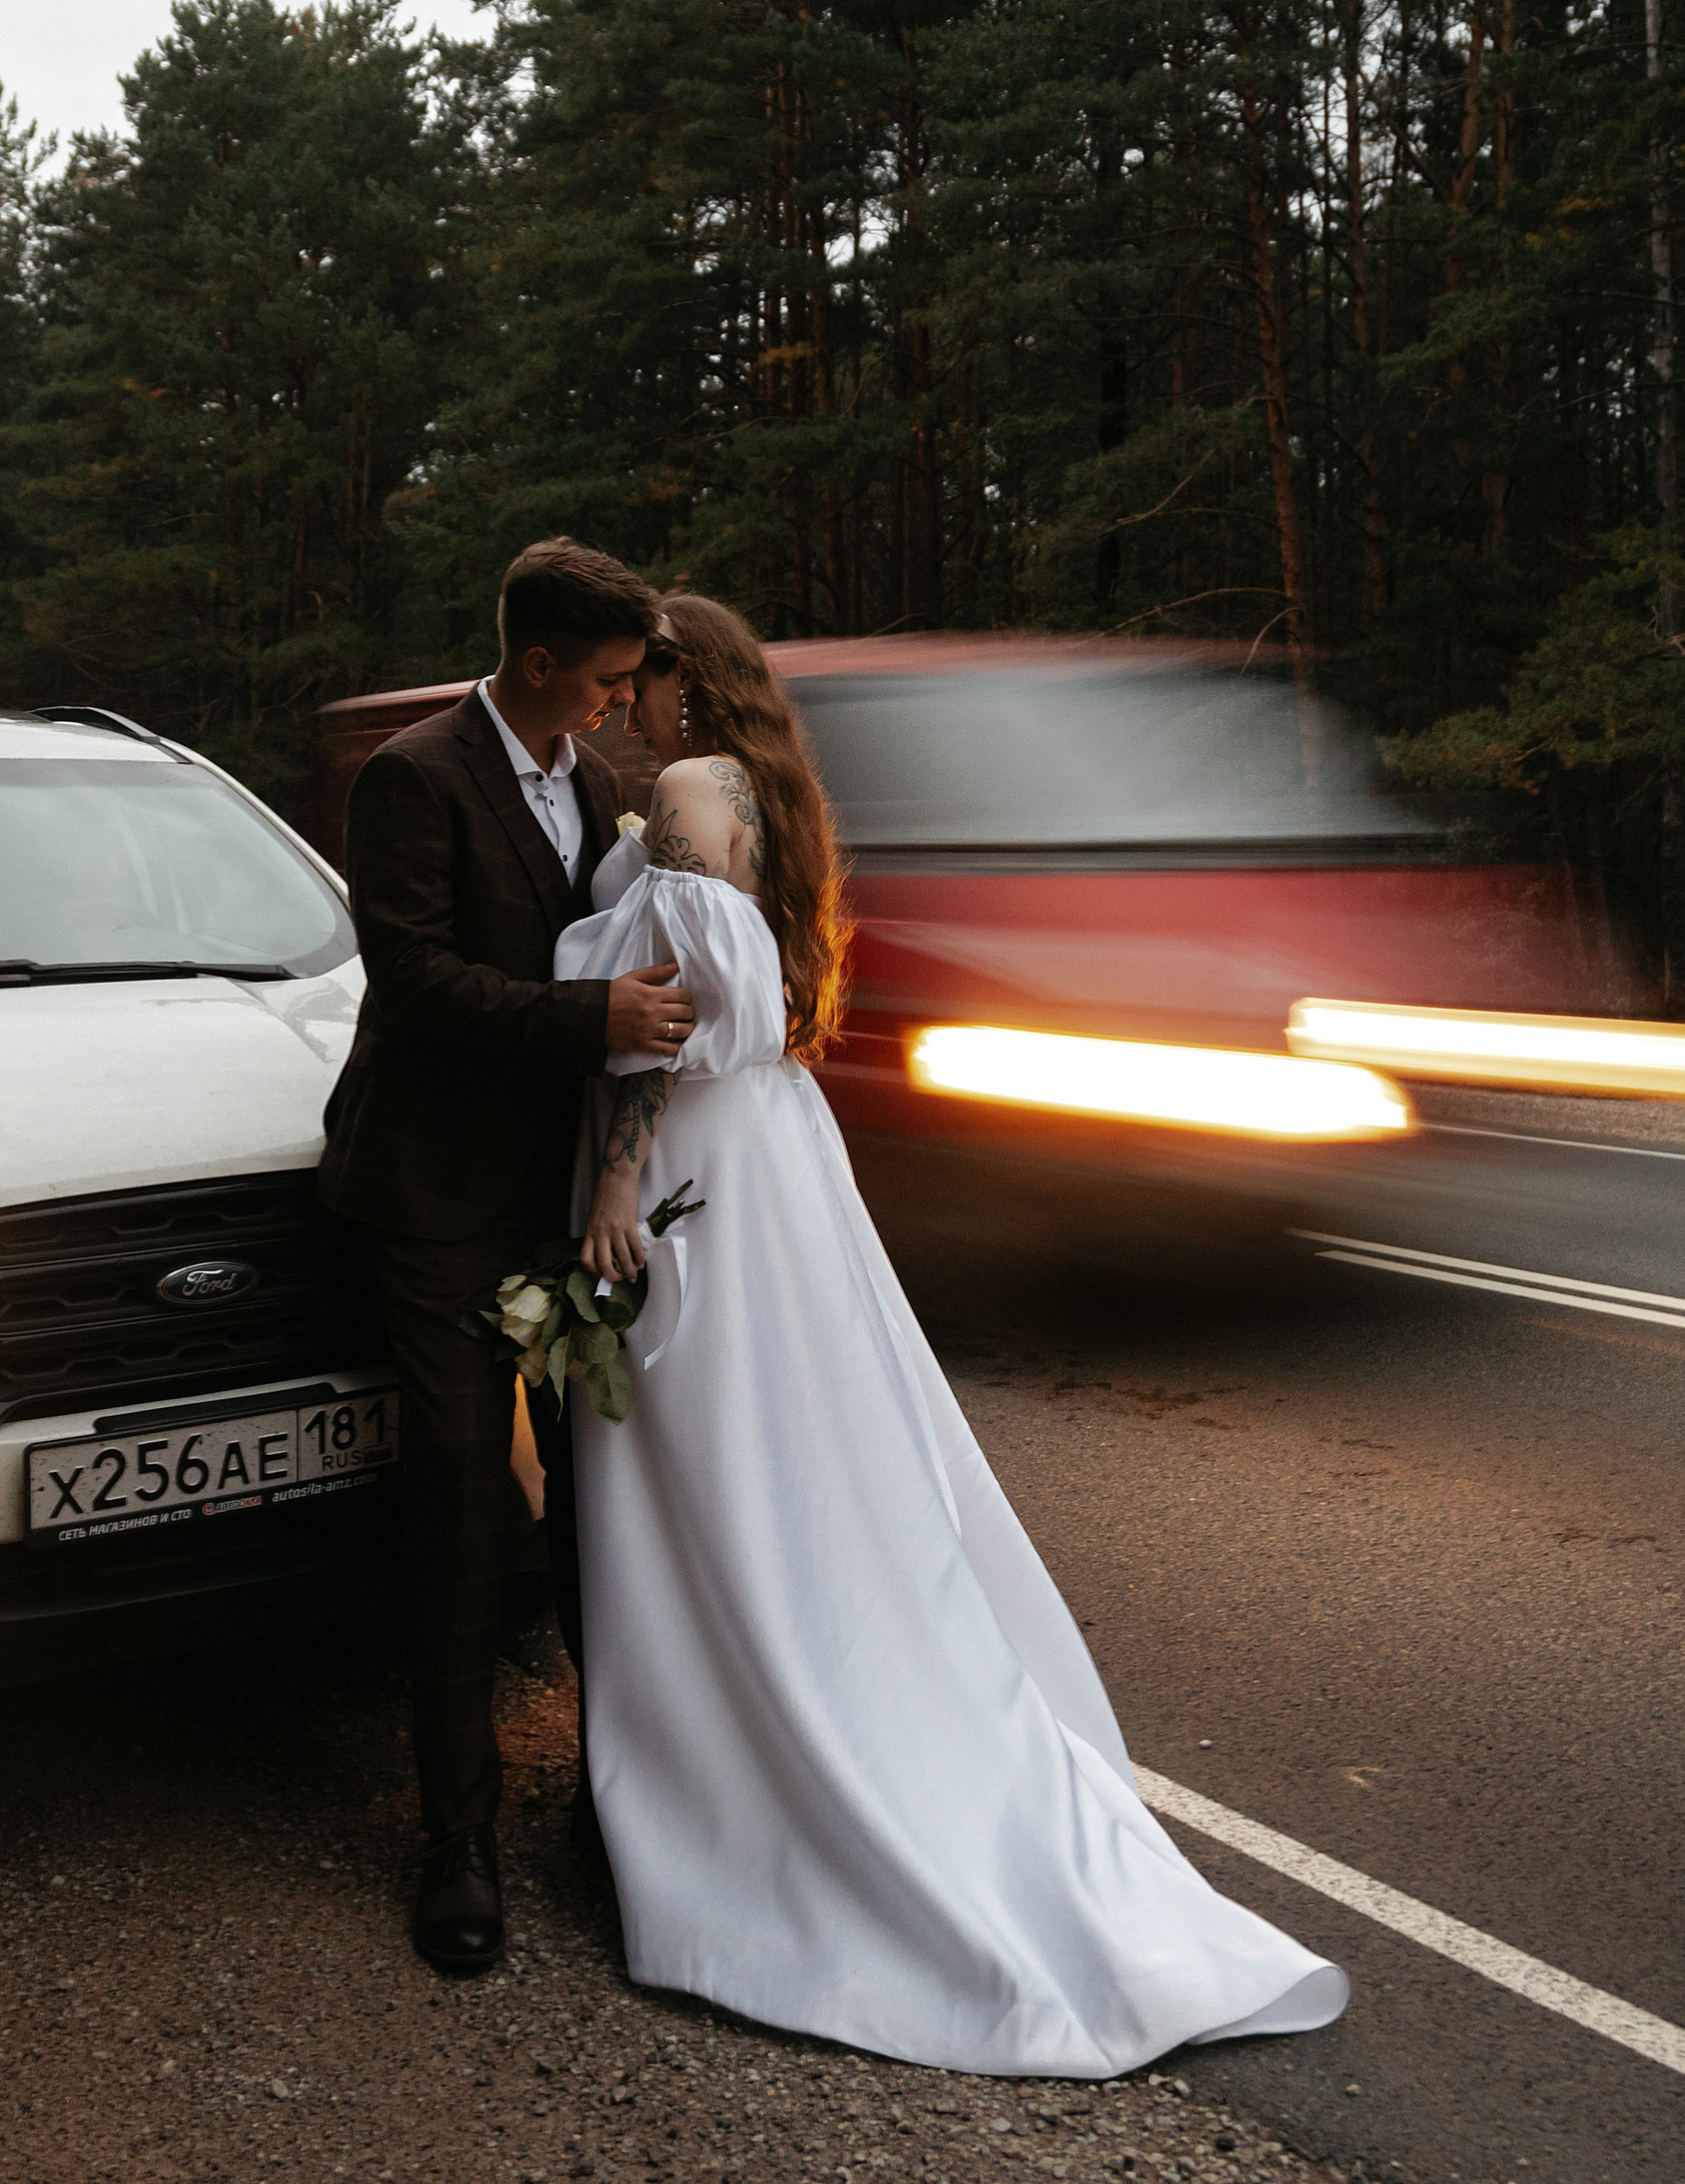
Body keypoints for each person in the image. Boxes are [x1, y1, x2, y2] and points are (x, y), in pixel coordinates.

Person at [554, 595, 1349, 2078]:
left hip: (693, 1175)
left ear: (681, 680)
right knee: (800, 1466)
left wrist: (610, 1178)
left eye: (635, 678)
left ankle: (724, 1797)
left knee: (710, 1483)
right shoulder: (764, 792)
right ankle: (741, 1758)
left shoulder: (681, 794)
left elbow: (667, 1015)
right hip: (780, 1162)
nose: (617, 702)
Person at [320, 537, 697, 1974]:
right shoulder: (412, 777)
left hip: (568, 1198)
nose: (619, 704)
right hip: (435, 1195)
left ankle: (615, 1808)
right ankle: (458, 1841)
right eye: (604, 679)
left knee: (597, 1507)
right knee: (466, 1509)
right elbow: (412, 986)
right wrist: (592, 1021)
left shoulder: (609, 787)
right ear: (537, 661)